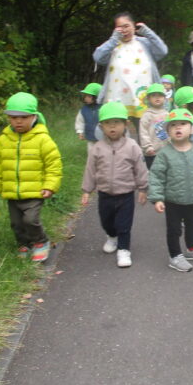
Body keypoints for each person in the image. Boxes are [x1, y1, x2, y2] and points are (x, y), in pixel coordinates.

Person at [0, 92, 62, 262]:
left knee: (30, 219)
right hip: (12, 191)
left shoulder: (43, 140)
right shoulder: (4, 140)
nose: (18, 121)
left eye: (23, 117)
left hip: (35, 191)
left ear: (34, 117)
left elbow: (53, 164)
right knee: (16, 223)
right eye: (13, 117)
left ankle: (40, 242)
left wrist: (50, 185)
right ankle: (23, 244)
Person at [148, 109, 193, 273]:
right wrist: (157, 198)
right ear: (168, 131)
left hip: (192, 198)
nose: (178, 128)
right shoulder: (165, 153)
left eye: (183, 124)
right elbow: (156, 176)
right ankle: (175, 256)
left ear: (192, 129)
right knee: (174, 229)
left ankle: (192, 248)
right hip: (172, 200)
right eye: (173, 125)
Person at [81, 102, 148, 268]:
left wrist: (143, 188)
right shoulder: (97, 148)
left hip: (126, 194)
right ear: (101, 126)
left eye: (117, 123)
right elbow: (90, 170)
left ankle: (124, 250)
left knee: (124, 224)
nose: (113, 127)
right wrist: (87, 190)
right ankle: (112, 237)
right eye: (108, 123)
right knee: (107, 222)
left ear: (125, 124)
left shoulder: (132, 147)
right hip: (104, 194)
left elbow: (140, 168)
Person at [93, 12, 168, 137]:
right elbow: (98, 57)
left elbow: (162, 51)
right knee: (117, 132)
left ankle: (147, 154)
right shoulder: (113, 45)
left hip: (142, 97)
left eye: (126, 26)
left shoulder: (144, 43)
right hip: (118, 97)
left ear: (134, 26)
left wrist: (148, 32)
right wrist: (113, 39)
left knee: (147, 131)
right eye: (120, 27)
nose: (124, 30)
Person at [139, 83, 170, 169]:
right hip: (152, 152)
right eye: (154, 95)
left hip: (166, 151)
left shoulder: (168, 115)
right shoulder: (147, 115)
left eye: (160, 95)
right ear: (148, 98)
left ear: (164, 98)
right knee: (153, 173)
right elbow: (143, 132)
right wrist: (147, 147)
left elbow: (170, 131)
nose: (157, 97)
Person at [75, 82, 102, 150]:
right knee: (91, 152)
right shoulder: (84, 110)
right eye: (85, 96)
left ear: (97, 97)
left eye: (89, 96)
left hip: (103, 138)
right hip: (90, 138)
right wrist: (80, 131)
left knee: (104, 153)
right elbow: (80, 121)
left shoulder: (103, 108)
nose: (86, 98)